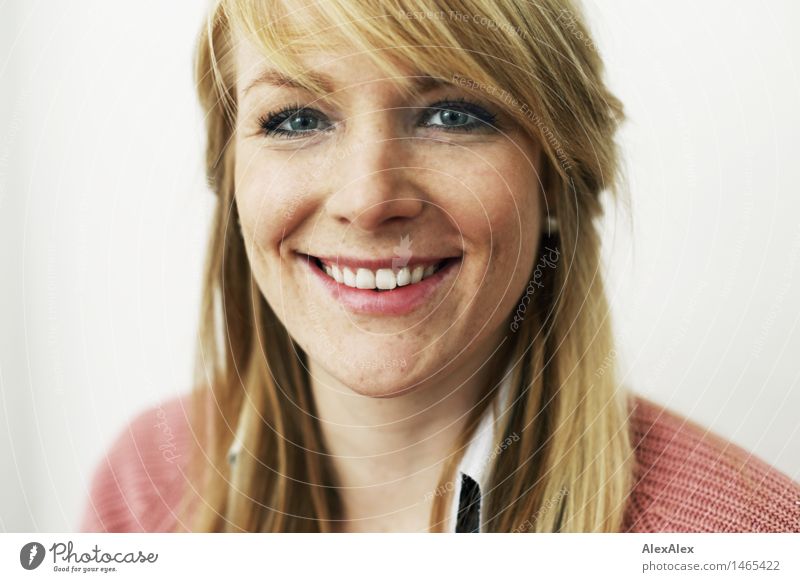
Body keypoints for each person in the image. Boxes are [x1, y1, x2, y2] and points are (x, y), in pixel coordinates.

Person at [80, 0, 800, 533]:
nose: (367, 199)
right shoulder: (146, 484)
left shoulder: (746, 537)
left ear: (554, 177)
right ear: (230, 173)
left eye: (453, 114)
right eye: (297, 119)